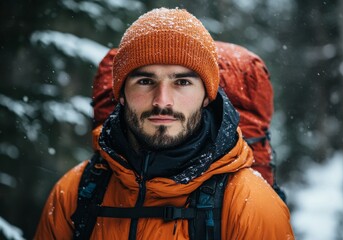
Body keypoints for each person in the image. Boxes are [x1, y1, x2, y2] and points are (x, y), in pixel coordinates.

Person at [35, 8, 294, 239]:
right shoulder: (75, 192)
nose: (162, 101)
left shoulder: (250, 205)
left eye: (182, 82)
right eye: (145, 81)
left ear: (207, 97)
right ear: (121, 95)